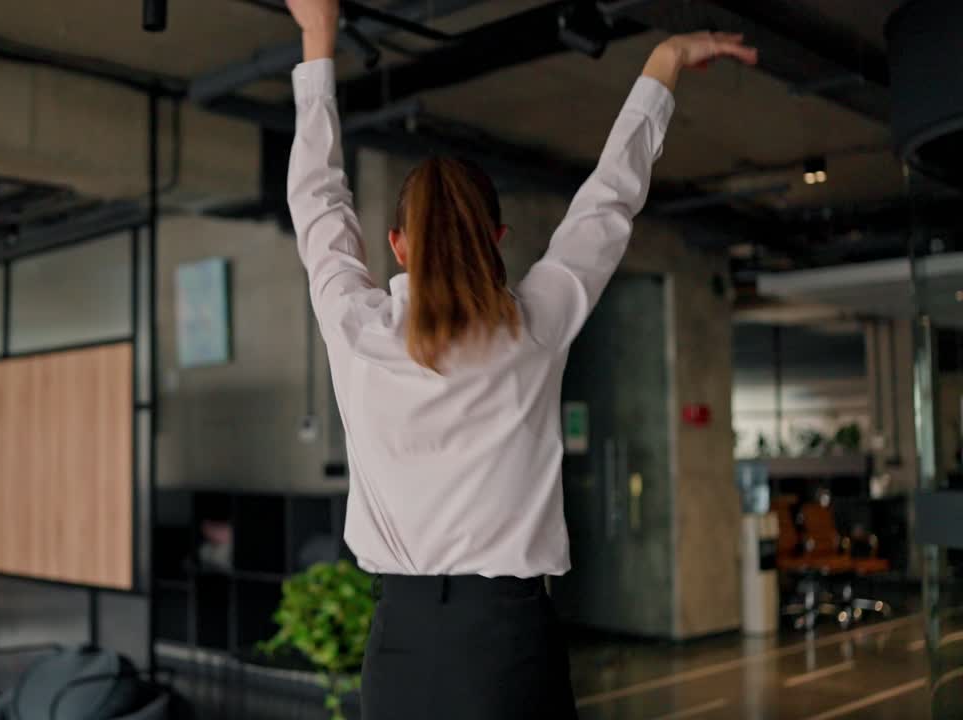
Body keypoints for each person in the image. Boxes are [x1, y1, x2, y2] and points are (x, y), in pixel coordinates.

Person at [284, 1, 757, 717]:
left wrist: (318, 36)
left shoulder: (358, 330)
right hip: (507, 642)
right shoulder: (535, 325)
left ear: (397, 245)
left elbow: (317, 198)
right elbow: (608, 202)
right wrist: (663, 63)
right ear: (497, 237)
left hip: (399, 648)